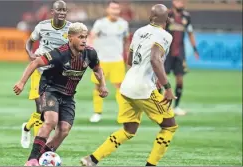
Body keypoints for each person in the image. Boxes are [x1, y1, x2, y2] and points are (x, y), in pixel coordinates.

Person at [81, 4, 178, 166]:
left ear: (150, 17)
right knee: (169, 126)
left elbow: (130, 60)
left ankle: (92, 158)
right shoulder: (165, 36)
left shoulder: (140, 31)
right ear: (167, 19)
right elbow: (155, 59)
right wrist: (167, 86)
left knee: (128, 130)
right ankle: (151, 164)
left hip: (127, 85)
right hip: (144, 88)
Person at [13, 22, 109, 166]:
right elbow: (35, 63)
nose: (84, 40)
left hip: (68, 95)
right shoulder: (59, 54)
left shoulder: (90, 53)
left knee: (64, 129)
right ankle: (31, 160)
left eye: (85, 37)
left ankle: (42, 158)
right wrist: (21, 82)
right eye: (80, 37)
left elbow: (97, 69)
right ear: (70, 38)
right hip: (50, 89)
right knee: (51, 121)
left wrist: (102, 85)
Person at [20, 0, 72, 149]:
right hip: (40, 71)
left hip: (57, 74)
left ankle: (26, 127)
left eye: (64, 10)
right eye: (59, 10)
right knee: (42, 110)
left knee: (43, 113)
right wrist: (30, 54)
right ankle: (40, 148)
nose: (62, 12)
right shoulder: (42, 26)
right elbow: (29, 41)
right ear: (52, 12)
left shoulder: (70, 29)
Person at [89, 0, 130, 123]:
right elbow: (91, 38)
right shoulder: (100, 23)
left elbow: (126, 41)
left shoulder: (123, 24)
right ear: (108, 10)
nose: (115, 11)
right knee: (98, 86)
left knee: (120, 87)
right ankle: (97, 113)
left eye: (117, 9)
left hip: (117, 60)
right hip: (101, 61)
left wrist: (128, 58)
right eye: (112, 8)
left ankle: (123, 114)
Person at [164, 0, 199, 116]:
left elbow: (190, 33)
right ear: (174, 2)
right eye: (179, 1)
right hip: (166, 52)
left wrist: (195, 49)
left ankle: (176, 107)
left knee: (180, 79)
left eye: (183, 2)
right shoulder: (167, 15)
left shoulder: (186, 17)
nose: (181, 3)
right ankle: (157, 106)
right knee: (160, 79)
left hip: (180, 52)